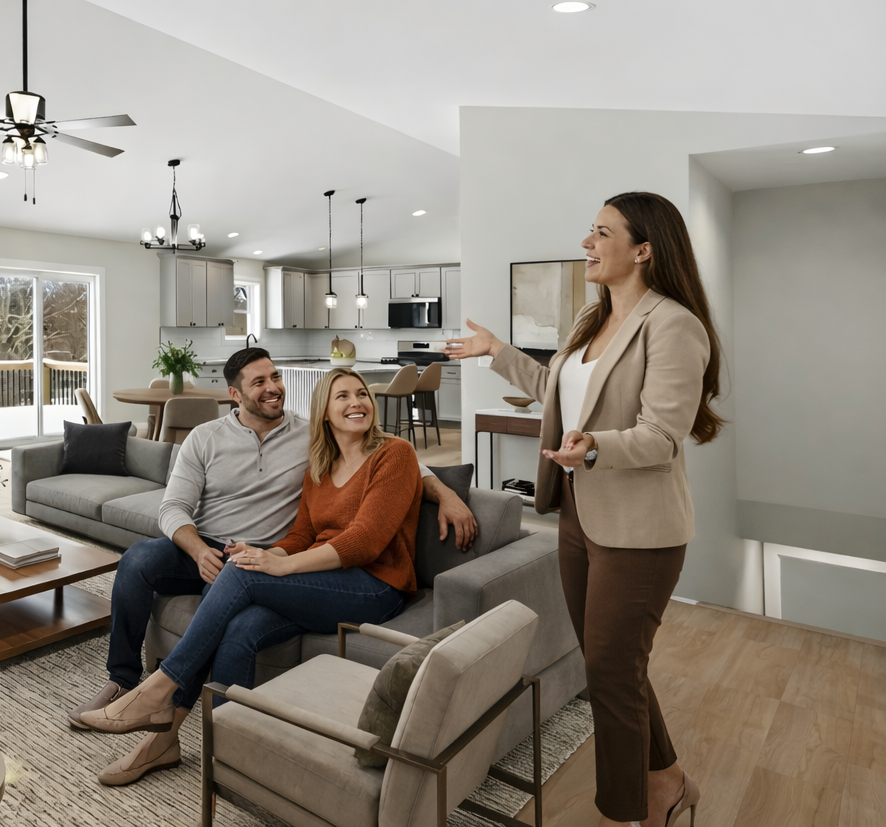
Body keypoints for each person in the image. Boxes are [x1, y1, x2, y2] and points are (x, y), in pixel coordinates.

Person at [444, 191, 717, 827]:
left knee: (613, 672)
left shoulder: (674, 325)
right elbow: (556, 394)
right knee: (610, 664)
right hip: (577, 518)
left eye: (600, 233)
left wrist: (594, 450)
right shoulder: (588, 323)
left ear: (643, 249)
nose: (587, 243)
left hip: (640, 530)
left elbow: (661, 437)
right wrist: (497, 352)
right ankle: (670, 778)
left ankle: (628, 810)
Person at [77, 366, 427, 784]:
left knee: (241, 575)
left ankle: (158, 690)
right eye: (343, 397)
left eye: (362, 395)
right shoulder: (320, 462)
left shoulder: (395, 453)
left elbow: (366, 541)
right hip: (321, 582)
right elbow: (302, 533)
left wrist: (280, 564)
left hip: (376, 587)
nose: (357, 404)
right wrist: (266, 554)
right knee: (240, 626)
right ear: (324, 413)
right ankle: (214, 751)